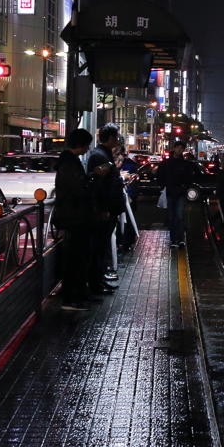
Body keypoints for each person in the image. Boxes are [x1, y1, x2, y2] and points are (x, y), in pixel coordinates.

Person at [54, 128, 112, 311]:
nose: (88, 148)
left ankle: (79, 294)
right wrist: (96, 176)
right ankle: (71, 298)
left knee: (81, 257)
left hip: (77, 216)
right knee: (76, 259)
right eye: (86, 145)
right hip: (75, 217)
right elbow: (83, 191)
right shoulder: (69, 165)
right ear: (78, 145)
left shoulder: (70, 162)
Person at [87, 125, 124, 291]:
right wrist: (103, 209)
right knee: (99, 246)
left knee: (102, 245)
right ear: (110, 138)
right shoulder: (99, 156)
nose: (117, 139)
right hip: (105, 209)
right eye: (116, 136)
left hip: (109, 208)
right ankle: (96, 282)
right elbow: (100, 187)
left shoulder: (102, 154)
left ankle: (99, 279)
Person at [157, 143, 196, 247]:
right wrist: (164, 186)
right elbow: (159, 175)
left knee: (179, 215)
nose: (179, 150)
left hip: (181, 193)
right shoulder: (166, 163)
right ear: (174, 148)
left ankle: (179, 239)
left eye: (181, 148)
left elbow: (190, 177)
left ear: (183, 150)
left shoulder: (186, 164)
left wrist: (185, 186)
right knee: (171, 216)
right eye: (177, 147)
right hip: (170, 192)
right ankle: (173, 239)